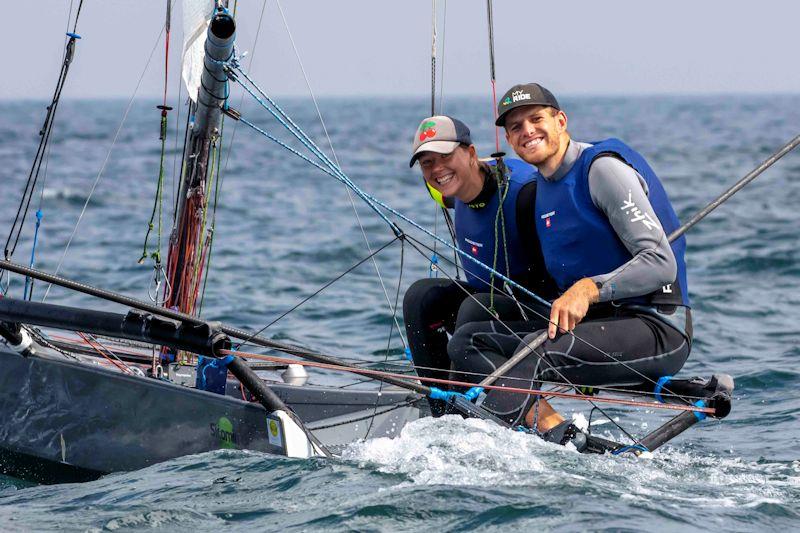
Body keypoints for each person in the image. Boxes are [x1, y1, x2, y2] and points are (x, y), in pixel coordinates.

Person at [447, 84, 692, 443]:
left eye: (536, 119)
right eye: (515, 127)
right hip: (600, 324)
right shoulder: (544, 183)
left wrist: (588, 288)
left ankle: (545, 446)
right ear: (509, 141)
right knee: (468, 340)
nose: (527, 131)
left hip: (657, 326)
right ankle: (546, 431)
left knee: (530, 354)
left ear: (561, 121)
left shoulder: (601, 171)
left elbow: (660, 262)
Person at [403, 115, 557, 415]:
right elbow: (444, 179)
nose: (437, 170)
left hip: (545, 314)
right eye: (427, 163)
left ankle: (466, 412)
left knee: (473, 309)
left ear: (472, 153)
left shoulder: (527, 194)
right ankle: (442, 409)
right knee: (421, 298)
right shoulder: (448, 190)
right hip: (492, 304)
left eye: (445, 157)